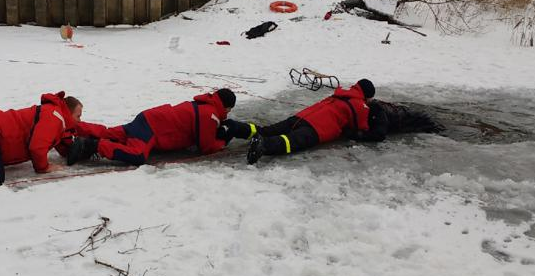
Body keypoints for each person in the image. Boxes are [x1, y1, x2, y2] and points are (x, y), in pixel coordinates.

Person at [66, 88, 237, 166]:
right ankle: (91, 145)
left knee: (112, 133)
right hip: (153, 128)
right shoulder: (211, 115)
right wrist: (224, 139)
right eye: (228, 110)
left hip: (149, 118)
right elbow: (207, 147)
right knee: (138, 155)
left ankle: (72, 126)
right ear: (226, 106)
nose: (228, 114)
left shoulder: (205, 105)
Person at [238, 79, 376, 164]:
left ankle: (235, 128)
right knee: (290, 142)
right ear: (367, 95)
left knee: (267, 130)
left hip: (303, 117)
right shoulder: (360, 105)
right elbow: (361, 128)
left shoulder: (341, 93)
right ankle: (264, 145)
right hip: (318, 128)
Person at [0, 92, 82, 184]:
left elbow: (58, 143)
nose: (79, 120)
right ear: (69, 112)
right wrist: (44, 167)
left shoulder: (56, 117)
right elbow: (37, 147)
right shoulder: (54, 117)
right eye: (78, 116)